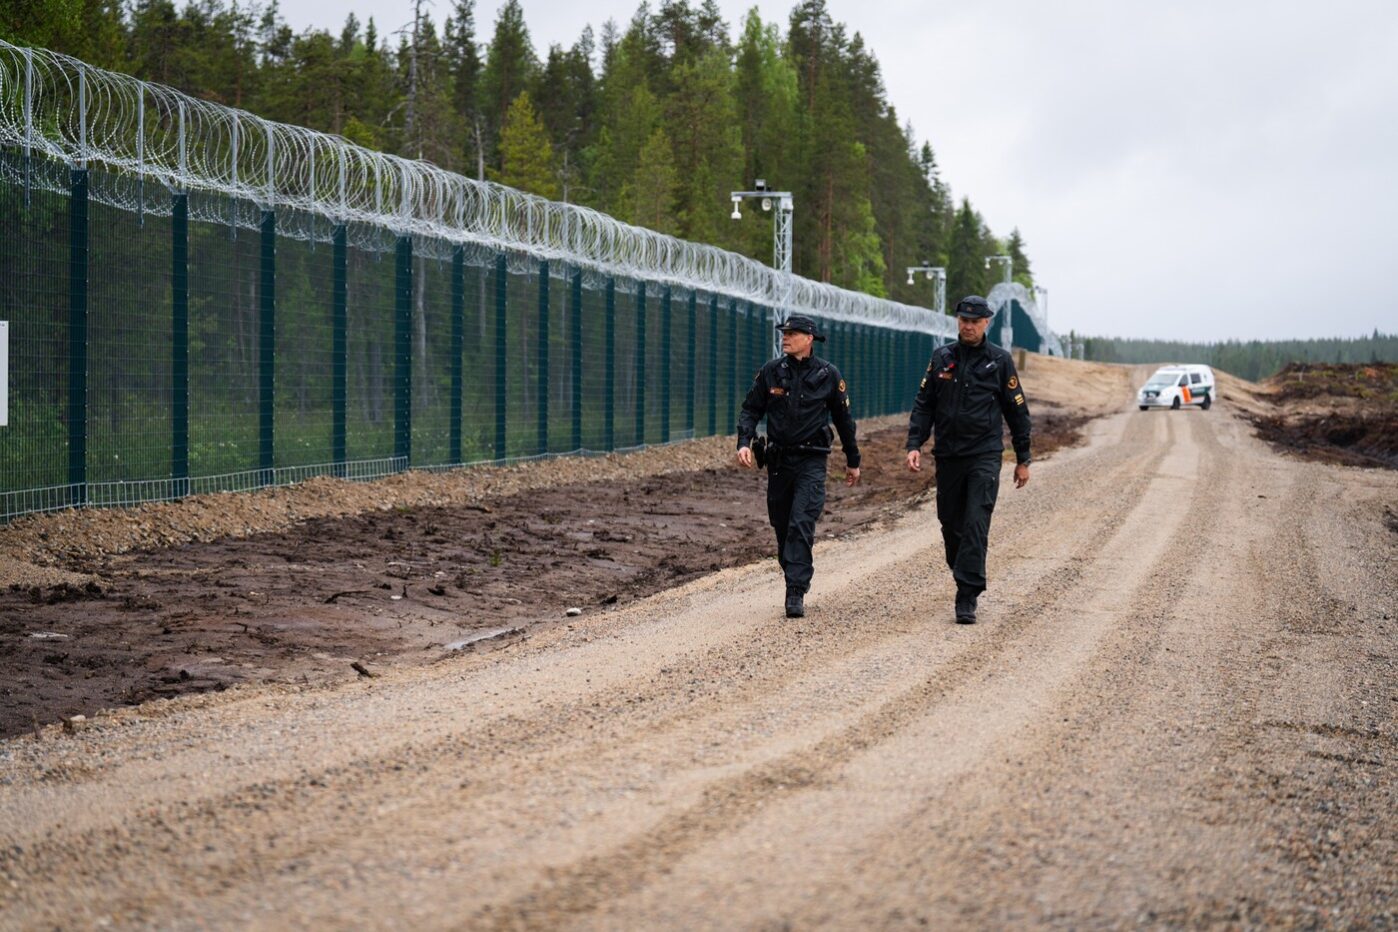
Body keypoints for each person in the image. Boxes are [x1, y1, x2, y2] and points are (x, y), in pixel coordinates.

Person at [905, 295, 1032, 624]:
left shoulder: (999, 362)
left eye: (975, 321)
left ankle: (967, 594)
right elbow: (924, 404)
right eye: (963, 320)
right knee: (951, 523)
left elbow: (1017, 411)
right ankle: (963, 570)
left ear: (987, 322)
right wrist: (914, 443)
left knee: (976, 521)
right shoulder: (941, 358)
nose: (968, 326)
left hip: (984, 455)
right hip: (948, 455)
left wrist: (1023, 458)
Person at [737, 315, 861, 618]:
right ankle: (793, 572)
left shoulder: (828, 375)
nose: (785, 337)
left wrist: (852, 460)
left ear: (809, 338)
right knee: (782, 525)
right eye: (784, 333)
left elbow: (844, 421)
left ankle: (795, 590)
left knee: (800, 522)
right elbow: (751, 409)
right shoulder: (771, 372)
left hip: (812, 461)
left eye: (792, 333)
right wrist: (744, 441)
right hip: (779, 461)